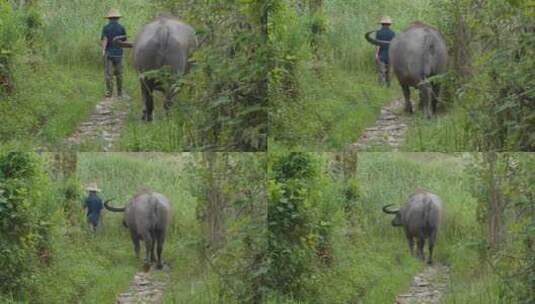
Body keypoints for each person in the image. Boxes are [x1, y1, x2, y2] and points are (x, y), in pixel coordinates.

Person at [101, 9, 127, 98]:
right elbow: (124, 40)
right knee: (119, 74)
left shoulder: (106, 28)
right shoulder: (121, 27)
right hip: (119, 54)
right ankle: (119, 93)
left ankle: (109, 92)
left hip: (109, 54)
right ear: (118, 18)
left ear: (109, 18)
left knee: (109, 74)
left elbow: (105, 39)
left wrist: (103, 50)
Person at [375, 16, 395, 87]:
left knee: (381, 72)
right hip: (390, 54)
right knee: (389, 72)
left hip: (381, 54)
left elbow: (378, 45)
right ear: (389, 24)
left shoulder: (379, 33)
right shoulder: (392, 33)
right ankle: (388, 86)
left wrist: (376, 54)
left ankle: (381, 86)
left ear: (382, 24)